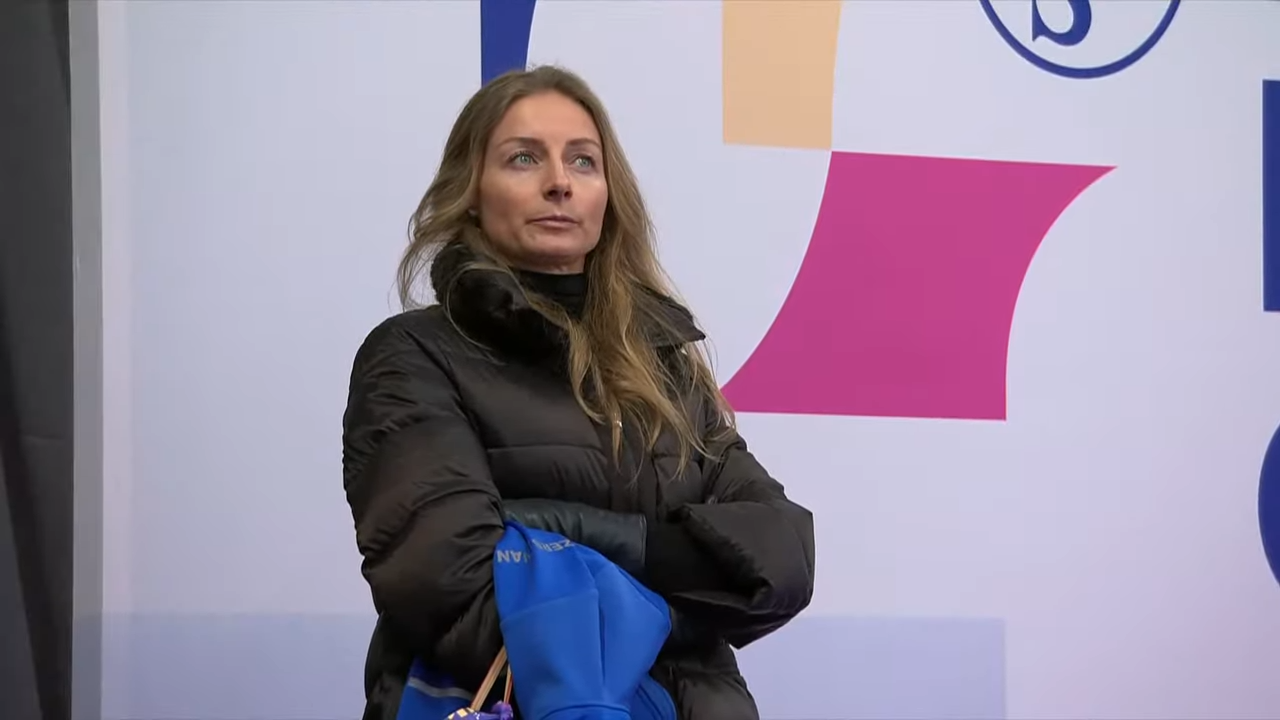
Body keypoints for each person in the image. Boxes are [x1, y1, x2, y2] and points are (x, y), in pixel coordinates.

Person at [341, 65, 816, 720]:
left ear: (608, 194)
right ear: (470, 191)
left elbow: (782, 561)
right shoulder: (412, 356)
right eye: (523, 157)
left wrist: (558, 529)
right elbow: (454, 589)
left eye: (583, 161)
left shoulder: (663, 364)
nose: (559, 181)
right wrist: (692, 584)